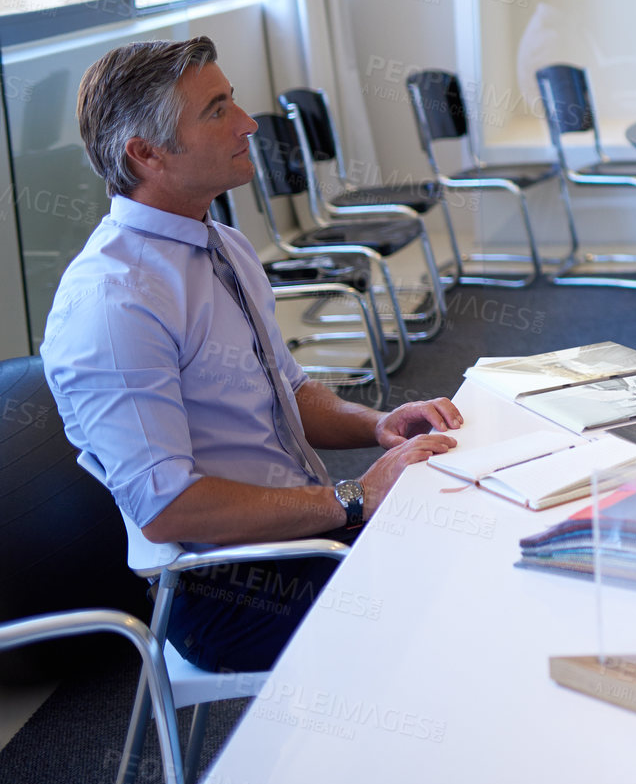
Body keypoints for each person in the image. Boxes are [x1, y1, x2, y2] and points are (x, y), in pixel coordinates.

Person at [42, 37, 463, 673]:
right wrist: (353, 499)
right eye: (216, 110)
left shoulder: (223, 245)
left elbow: (289, 392)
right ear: (146, 154)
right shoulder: (113, 301)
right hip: (226, 590)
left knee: (476, 526)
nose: (247, 123)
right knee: (459, 604)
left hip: (298, 537)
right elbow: (168, 508)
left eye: (233, 100)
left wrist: (374, 425)